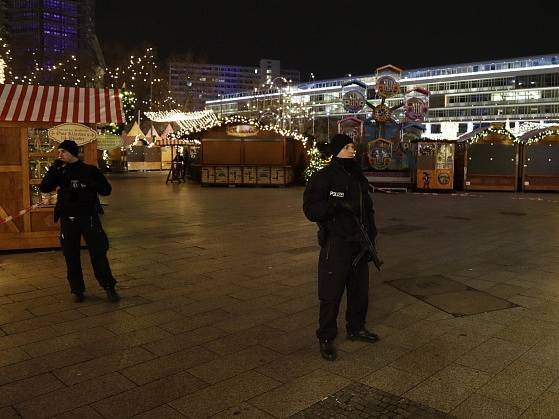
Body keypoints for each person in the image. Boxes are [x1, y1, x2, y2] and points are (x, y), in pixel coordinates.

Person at [303, 134, 379, 361]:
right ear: (337, 150)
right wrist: (334, 205)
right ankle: (326, 337)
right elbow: (310, 210)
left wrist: (371, 237)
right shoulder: (323, 178)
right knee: (331, 294)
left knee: (359, 292)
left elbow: (368, 210)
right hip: (336, 244)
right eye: (347, 147)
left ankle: (356, 327)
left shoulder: (357, 177)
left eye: (353, 146)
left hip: (360, 244)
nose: (352, 150)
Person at [40, 140, 120, 303]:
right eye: (59, 152)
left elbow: (106, 190)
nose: (60, 154)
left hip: (89, 218)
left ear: (72, 153)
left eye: (63, 151)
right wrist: (53, 170)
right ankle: (77, 289)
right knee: (71, 255)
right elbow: (44, 187)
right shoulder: (59, 171)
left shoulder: (89, 170)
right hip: (68, 219)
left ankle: (109, 287)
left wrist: (89, 183)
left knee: (98, 253)